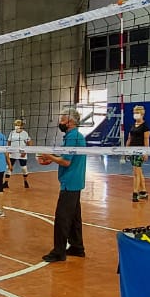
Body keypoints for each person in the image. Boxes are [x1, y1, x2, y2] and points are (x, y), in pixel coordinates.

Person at [37, 106, 87, 262]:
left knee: (62, 218)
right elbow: (66, 157)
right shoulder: (76, 136)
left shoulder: (73, 137)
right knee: (74, 218)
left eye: (62, 119)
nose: (60, 121)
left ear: (70, 121)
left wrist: (49, 156)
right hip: (76, 182)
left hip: (69, 183)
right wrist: (51, 159)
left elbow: (65, 161)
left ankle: (59, 252)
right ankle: (77, 247)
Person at [127, 104, 150, 202]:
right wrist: (126, 150)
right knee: (138, 171)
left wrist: (146, 153)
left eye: (137, 113)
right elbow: (129, 138)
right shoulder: (133, 125)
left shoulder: (145, 126)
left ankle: (135, 192)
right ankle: (144, 192)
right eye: (134, 113)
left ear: (142, 114)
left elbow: (146, 140)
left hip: (139, 151)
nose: (135, 114)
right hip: (132, 150)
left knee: (136, 172)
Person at [5, 119, 31, 188]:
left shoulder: (25, 133)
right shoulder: (12, 133)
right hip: (13, 153)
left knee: (24, 168)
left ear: (22, 126)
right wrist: (9, 149)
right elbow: (9, 141)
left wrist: (25, 152)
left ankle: (25, 181)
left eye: (19, 125)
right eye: (16, 125)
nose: (17, 126)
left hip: (21, 154)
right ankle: (6, 183)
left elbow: (29, 143)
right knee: (8, 167)